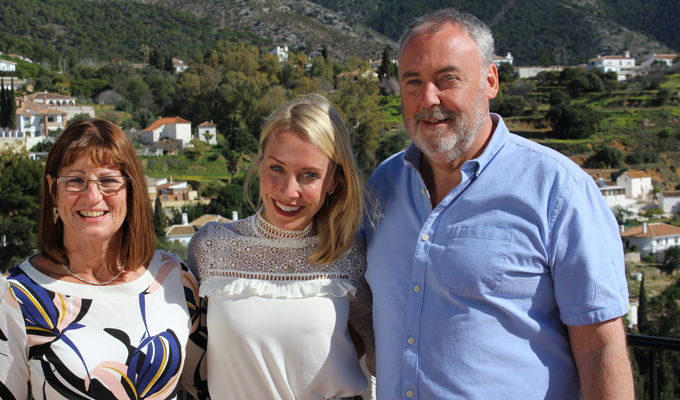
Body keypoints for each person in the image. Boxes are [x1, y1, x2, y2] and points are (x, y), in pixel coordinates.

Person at [363, 8, 633, 400]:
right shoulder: (383, 186)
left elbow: (601, 347)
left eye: (447, 79)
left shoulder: (558, 189)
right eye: (413, 81)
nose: (428, 98)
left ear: (490, 81)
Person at [0, 119, 205, 399]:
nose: (93, 196)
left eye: (108, 181)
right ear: (53, 190)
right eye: (75, 181)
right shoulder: (13, 296)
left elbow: (208, 385)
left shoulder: (174, 278)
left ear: (131, 190)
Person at [187, 94, 375, 400]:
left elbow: (380, 350)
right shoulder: (210, 247)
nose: (289, 191)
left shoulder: (351, 254)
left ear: (333, 181)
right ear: (261, 160)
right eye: (277, 168)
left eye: (310, 175)